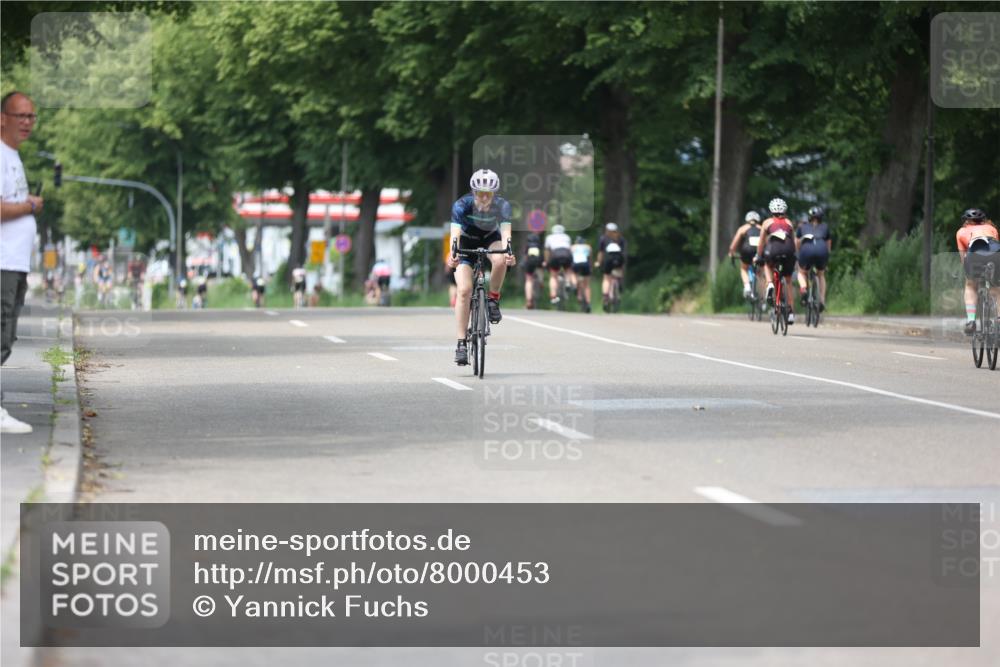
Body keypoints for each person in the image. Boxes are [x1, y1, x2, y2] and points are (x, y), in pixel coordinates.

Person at [1, 91, 42, 434]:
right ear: (3, 118)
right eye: (20, 116)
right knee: (0, 336)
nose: (27, 122)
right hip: (2, 263)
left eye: (31, 116)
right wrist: (29, 207)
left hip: (14, 263)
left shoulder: (12, 157)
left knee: (7, 336)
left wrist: (24, 201)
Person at [446, 168, 514, 366]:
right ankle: (461, 344)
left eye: (489, 194)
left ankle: (493, 299)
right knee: (464, 290)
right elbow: (455, 236)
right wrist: (453, 254)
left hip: (490, 239)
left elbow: (506, 234)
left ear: (495, 194)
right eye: (480, 193)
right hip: (466, 241)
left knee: (500, 260)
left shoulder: (502, 206)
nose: (484, 198)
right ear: (473, 192)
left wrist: (509, 251)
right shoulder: (461, 205)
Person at [956, 208, 1000, 335]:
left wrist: (966, 272)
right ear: (983, 220)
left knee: (970, 285)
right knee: (996, 288)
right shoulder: (992, 229)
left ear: (966, 221)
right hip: (995, 253)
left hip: (974, 254)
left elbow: (963, 257)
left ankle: (971, 321)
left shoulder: (961, 232)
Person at [754, 198, 797, 325]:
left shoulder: (767, 222)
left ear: (771, 210)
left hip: (773, 251)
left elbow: (761, 242)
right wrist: (794, 255)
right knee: (788, 281)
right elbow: (793, 242)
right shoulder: (789, 223)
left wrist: (758, 255)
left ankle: (770, 283)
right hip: (789, 251)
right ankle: (790, 314)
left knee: (767, 265)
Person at [795, 206, 832, 310]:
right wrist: (826, 256)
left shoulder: (802, 227)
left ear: (809, 217)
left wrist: (798, 253)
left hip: (806, 250)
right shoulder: (825, 227)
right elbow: (828, 245)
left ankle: (803, 289)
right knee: (821, 274)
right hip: (822, 250)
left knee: (801, 272)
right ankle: (821, 300)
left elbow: (797, 243)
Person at [728, 211, 763, 299]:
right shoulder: (762, 228)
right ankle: (763, 296)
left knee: (744, 268)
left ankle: (747, 287)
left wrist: (731, 253)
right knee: (760, 272)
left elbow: (734, 244)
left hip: (747, 250)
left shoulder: (743, 228)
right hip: (759, 251)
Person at [596, 222, 626, 311]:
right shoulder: (621, 239)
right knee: (619, 271)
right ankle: (619, 283)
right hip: (618, 259)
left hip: (608, 260)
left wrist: (598, 262)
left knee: (606, 278)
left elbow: (601, 252)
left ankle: (605, 296)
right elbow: (623, 252)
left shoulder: (603, 238)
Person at [544, 224, 573, 305]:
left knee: (553, 276)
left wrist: (546, 261)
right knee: (568, 270)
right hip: (566, 254)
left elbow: (547, 251)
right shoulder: (567, 237)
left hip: (555, 255)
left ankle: (553, 296)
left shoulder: (549, 237)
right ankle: (567, 282)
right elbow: (570, 249)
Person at [570, 235, 593, 312]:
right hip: (585, 264)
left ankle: (574, 284)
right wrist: (590, 268)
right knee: (586, 285)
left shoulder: (572, 247)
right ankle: (588, 302)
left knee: (572, 274)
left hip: (576, 264)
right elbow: (590, 258)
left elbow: (570, 258)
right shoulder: (588, 247)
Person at [522, 232, 544, 309]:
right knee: (540, 270)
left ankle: (528, 301)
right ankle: (541, 282)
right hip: (538, 264)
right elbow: (542, 257)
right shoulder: (539, 246)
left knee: (528, 280)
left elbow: (525, 257)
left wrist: (524, 264)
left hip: (530, 264)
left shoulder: (527, 246)